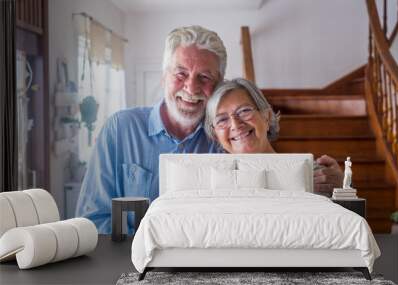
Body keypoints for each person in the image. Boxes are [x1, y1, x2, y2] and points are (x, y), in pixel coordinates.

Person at [76, 26, 342, 234]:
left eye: (204, 77)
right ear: (163, 76)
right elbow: (92, 220)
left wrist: (333, 185)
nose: (191, 88)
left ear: (218, 84)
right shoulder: (120, 128)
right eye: (180, 73)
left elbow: (271, 177)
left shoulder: (224, 139)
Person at [204, 78, 343, 194]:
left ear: (267, 116)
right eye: (222, 120)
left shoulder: (313, 176)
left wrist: (343, 190)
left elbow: (348, 222)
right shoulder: (209, 184)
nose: (235, 124)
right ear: (216, 136)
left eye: (244, 111)